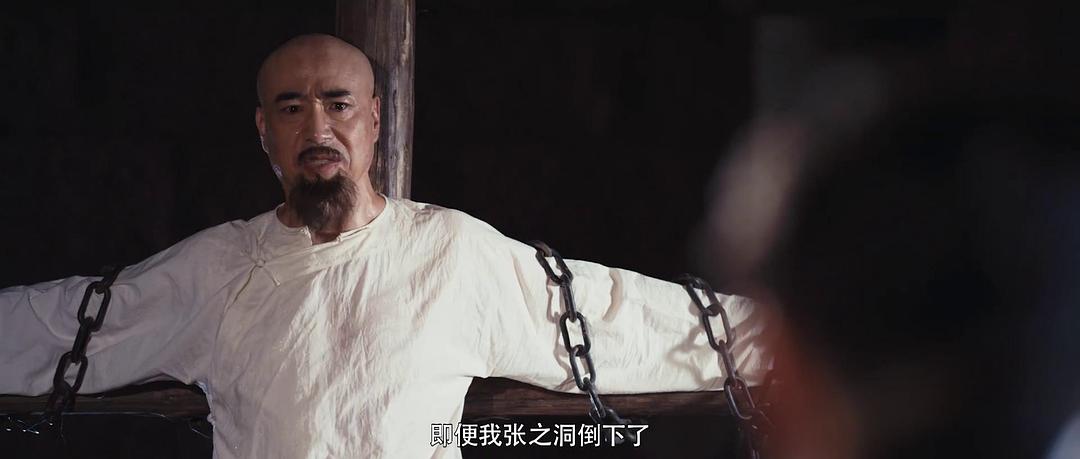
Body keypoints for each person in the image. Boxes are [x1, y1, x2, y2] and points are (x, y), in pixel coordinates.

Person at [0, 34, 772, 458]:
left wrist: (788, 334)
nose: (317, 128)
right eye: (291, 109)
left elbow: (612, 315)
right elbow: (69, 324)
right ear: (264, 130)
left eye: (337, 104)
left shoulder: (450, 255)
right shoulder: (215, 270)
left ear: (373, 119)